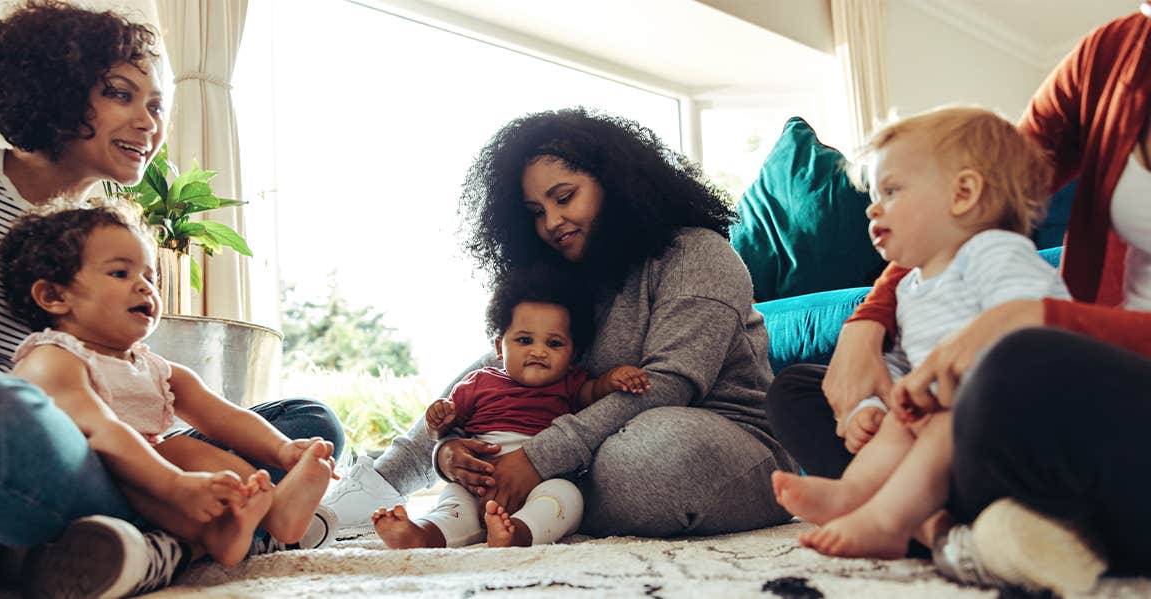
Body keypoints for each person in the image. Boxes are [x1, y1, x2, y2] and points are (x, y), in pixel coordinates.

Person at [0, 2, 343, 595]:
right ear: (54, 87)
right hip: (11, 438)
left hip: (113, 452)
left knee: (307, 423)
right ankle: (192, 535)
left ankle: (148, 538)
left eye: (156, 105)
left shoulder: (107, 236)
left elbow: (135, 384)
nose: (149, 123)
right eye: (120, 94)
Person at [766, 6, 1151, 594]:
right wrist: (868, 332)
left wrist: (1034, 319)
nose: (876, 206)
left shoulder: (998, 259)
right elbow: (988, 175)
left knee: (1003, 370)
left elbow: (1023, 334)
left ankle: (922, 522)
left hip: (1080, 380)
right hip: (1060, 406)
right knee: (799, 387)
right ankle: (961, 527)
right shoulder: (1113, 56)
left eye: (889, 192)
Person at [326, 107, 798, 538]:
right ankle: (385, 481)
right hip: (590, 445)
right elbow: (506, 381)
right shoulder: (569, 281)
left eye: (564, 197)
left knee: (646, 462)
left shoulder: (697, 253)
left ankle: (514, 500)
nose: (552, 222)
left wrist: (536, 457)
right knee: (505, 359)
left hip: (725, 441)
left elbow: (669, 385)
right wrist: (451, 451)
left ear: (615, 183)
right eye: (535, 212)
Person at [769, 107, 1069, 559]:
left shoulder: (993, 251)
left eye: (891, 190)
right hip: (946, 419)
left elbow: (1036, 317)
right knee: (897, 421)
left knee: (942, 419)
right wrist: (870, 405)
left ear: (963, 193)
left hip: (1018, 420)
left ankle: (888, 521)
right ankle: (855, 494)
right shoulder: (912, 285)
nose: (873, 206)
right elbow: (902, 363)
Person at [0, 200, 338, 567]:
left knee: (183, 449)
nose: (144, 288)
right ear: (54, 296)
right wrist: (174, 483)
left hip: (146, 492)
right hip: (73, 492)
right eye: (120, 273)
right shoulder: (53, 357)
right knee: (160, 454)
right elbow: (101, 431)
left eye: (150, 277)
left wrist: (283, 450)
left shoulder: (155, 368)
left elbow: (224, 416)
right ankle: (224, 533)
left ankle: (263, 516)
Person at [372, 265, 648, 549]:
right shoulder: (478, 381)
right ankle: (423, 534)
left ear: (572, 355)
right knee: (454, 505)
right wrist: (438, 421)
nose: (539, 351)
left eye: (554, 343)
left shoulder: (571, 383)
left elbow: (594, 393)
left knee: (566, 498)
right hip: (478, 480)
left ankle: (517, 532)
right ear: (500, 348)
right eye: (525, 340)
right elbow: (448, 430)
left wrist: (612, 380)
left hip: (543, 479)